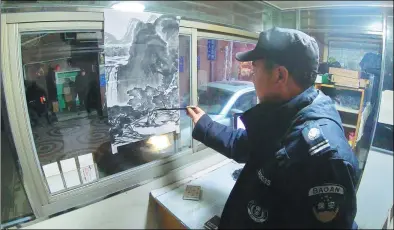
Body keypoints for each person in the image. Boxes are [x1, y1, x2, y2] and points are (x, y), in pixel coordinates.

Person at [186, 27, 360, 229]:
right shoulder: (284, 115)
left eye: (255, 69)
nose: (252, 77)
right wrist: (205, 124)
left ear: (280, 75)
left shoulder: (323, 155)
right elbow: (244, 145)